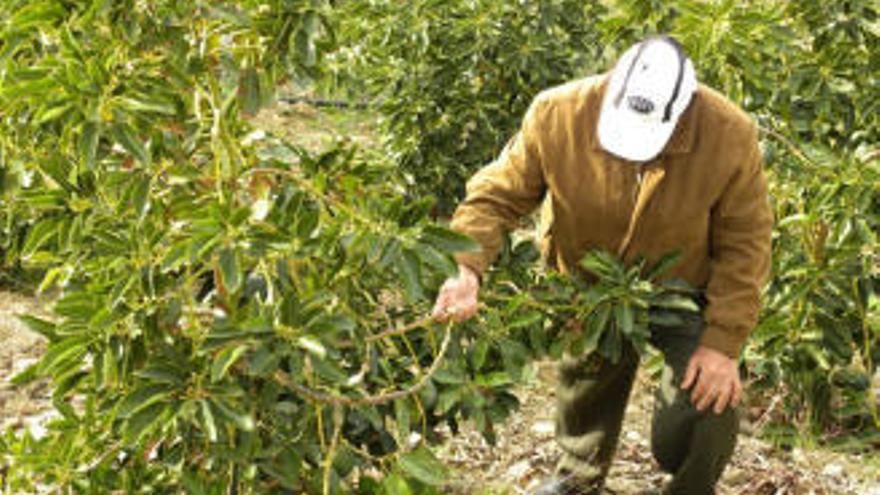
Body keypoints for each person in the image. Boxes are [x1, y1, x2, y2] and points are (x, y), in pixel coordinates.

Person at [431, 35, 773, 495]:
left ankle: (689, 487)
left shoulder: (728, 133)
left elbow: (746, 242)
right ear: (611, 87)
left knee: (711, 402)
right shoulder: (558, 113)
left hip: (682, 284)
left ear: (682, 108)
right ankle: (577, 480)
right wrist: (466, 267)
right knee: (587, 391)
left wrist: (722, 343)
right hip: (590, 281)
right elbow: (496, 195)